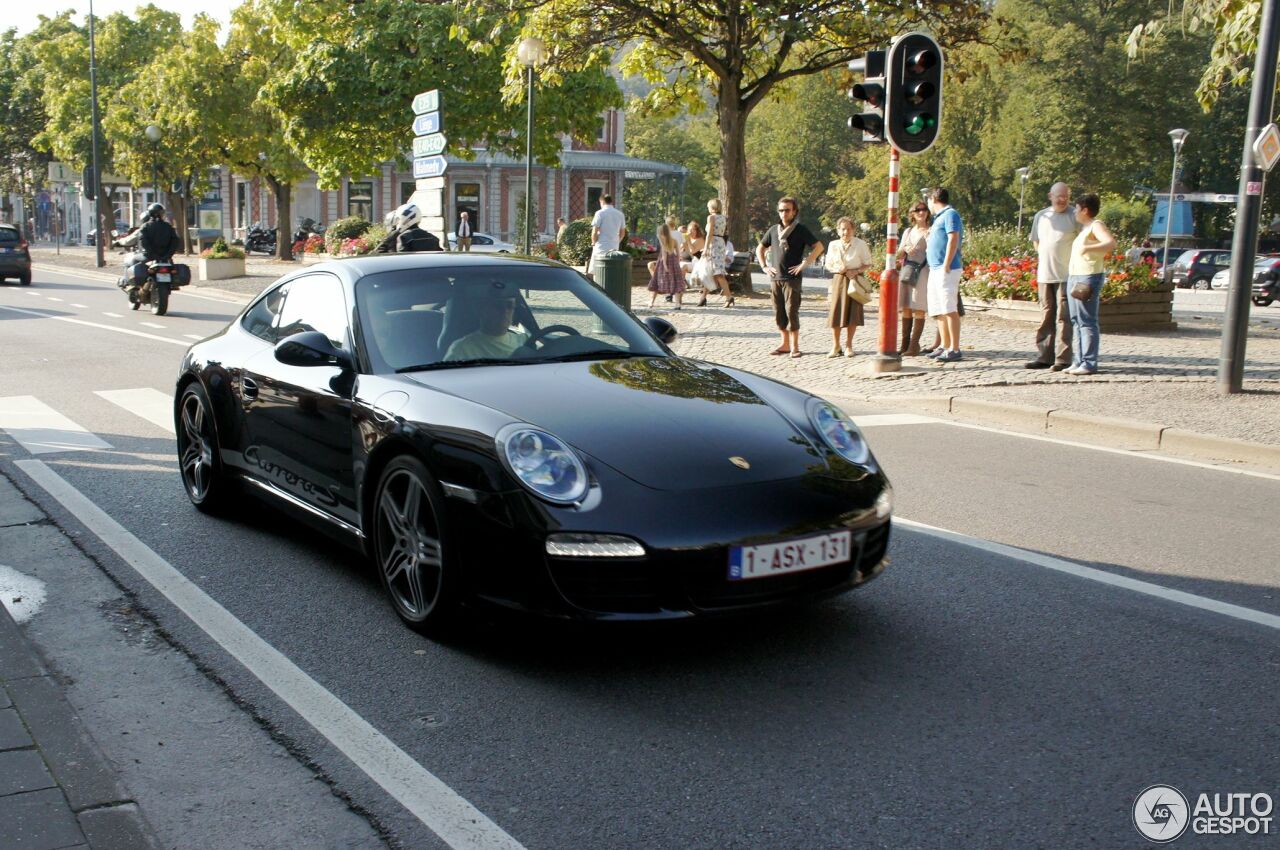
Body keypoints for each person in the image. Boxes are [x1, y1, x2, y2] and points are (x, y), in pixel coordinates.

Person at [757, 196, 823, 358]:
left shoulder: (800, 229)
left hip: (792, 279)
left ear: (794, 212)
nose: (783, 213)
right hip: (776, 278)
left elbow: (819, 246)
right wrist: (764, 266)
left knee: (792, 311)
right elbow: (760, 248)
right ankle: (784, 344)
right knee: (779, 312)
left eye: (787, 210)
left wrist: (804, 264)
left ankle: (795, 346)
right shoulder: (773, 230)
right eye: (780, 210)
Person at [1025, 182, 1078, 371]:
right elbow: (1036, 242)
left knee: (1064, 317)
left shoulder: (1074, 216)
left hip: (1066, 275)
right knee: (1046, 315)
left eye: (1066, 196)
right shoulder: (1041, 216)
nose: (1062, 200)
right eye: (1059, 196)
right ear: (1050, 196)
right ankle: (1044, 356)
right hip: (1045, 274)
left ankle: (1063, 359)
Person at [1064, 193, 1116, 376]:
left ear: (1085, 210)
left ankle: (1088, 362)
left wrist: (1089, 248)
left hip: (1088, 276)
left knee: (1086, 321)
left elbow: (1110, 243)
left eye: (1077, 209)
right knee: (1076, 320)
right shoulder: (1085, 229)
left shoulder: (1096, 225)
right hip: (1076, 276)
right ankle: (1078, 360)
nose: (1075, 212)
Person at [822, 217, 871, 358]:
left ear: (853, 230)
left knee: (853, 313)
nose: (846, 232)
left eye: (848, 229)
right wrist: (839, 268)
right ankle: (836, 346)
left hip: (855, 280)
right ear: (838, 230)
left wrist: (855, 271)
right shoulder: (833, 245)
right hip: (839, 279)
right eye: (843, 229)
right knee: (836, 313)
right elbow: (828, 264)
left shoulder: (860, 244)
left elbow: (868, 263)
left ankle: (849, 345)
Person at [925, 188, 964, 363]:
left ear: (933, 199)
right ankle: (944, 345)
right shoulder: (938, 218)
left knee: (948, 307)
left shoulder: (950, 214)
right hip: (935, 268)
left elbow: (953, 238)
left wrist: (947, 263)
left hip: (945, 268)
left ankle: (954, 348)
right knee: (938, 309)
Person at [444, 294, 529, 361]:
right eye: (497, 306)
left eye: (509, 306)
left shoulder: (524, 340)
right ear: (482, 310)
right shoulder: (461, 349)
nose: (505, 311)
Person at [895, 202, 931, 355]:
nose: (921, 212)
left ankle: (914, 345)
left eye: (923, 210)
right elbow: (899, 253)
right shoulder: (908, 231)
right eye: (917, 210)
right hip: (908, 270)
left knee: (919, 306)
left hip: (923, 270)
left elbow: (934, 251)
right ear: (912, 214)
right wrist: (904, 249)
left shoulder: (931, 231)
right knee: (907, 307)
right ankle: (905, 344)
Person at [700, 198, 734, 307]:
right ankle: (703, 297)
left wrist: (705, 248)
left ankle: (729, 296)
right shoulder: (724, 218)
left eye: (708, 207)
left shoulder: (711, 217)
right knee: (711, 271)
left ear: (712, 207)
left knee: (717, 273)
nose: (708, 209)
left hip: (713, 243)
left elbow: (709, 233)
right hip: (720, 243)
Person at [647, 223, 686, 309]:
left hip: (664, 263)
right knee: (676, 282)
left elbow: (664, 254)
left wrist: (664, 264)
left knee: (657, 280)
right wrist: (678, 261)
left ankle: (651, 302)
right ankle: (677, 304)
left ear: (661, 233)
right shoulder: (674, 240)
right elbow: (679, 253)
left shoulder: (663, 241)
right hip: (674, 262)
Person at [588, 194, 626, 280]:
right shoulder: (620, 214)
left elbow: (594, 231)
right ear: (611, 202)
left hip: (601, 244)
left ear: (602, 202)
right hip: (614, 245)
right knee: (611, 268)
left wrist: (593, 242)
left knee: (597, 268)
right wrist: (617, 241)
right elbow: (622, 232)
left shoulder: (599, 213)